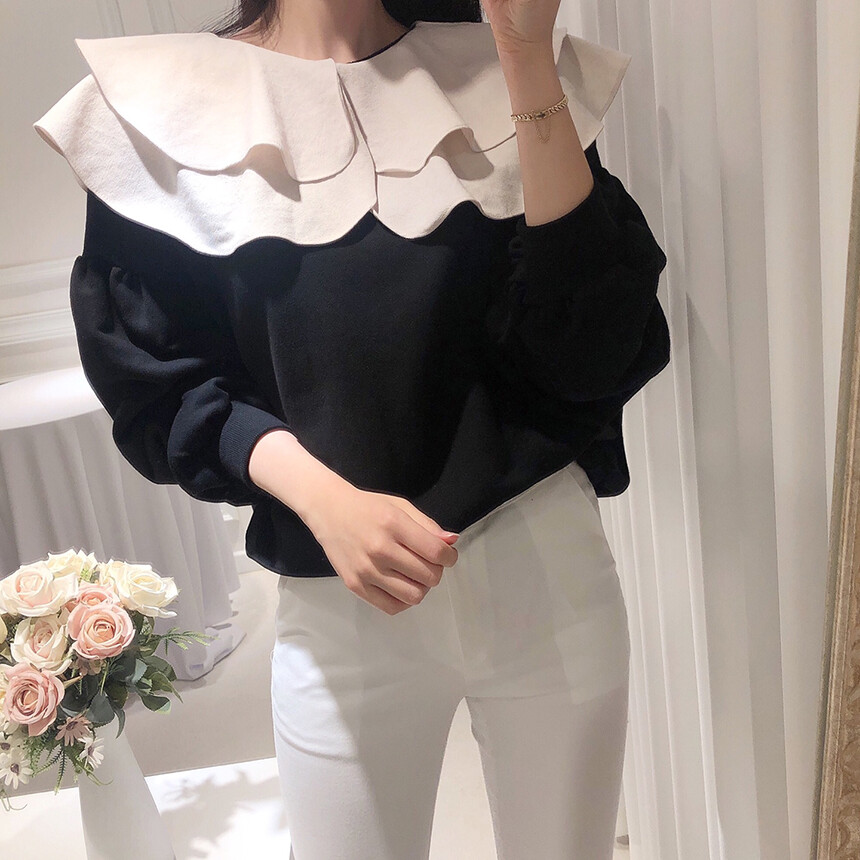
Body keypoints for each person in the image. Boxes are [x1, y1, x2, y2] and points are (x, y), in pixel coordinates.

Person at [33, 0, 671, 857]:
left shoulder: (493, 68)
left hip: (546, 571)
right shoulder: (162, 105)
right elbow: (159, 381)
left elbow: (591, 348)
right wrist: (324, 500)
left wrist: (524, 60)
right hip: (343, 598)